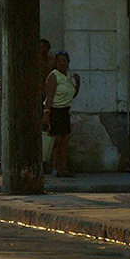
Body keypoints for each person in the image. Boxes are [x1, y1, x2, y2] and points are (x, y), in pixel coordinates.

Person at [43, 50, 80, 178]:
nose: (62, 63)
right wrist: (46, 114)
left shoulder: (68, 77)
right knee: (56, 142)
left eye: (64, 61)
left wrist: (78, 84)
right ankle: (54, 168)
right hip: (55, 111)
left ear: (68, 62)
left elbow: (72, 94)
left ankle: (63, 168)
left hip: (65, 112)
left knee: (65, 141)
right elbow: (50, 96)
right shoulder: (53, 76)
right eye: (59, 61)